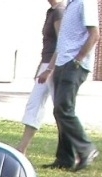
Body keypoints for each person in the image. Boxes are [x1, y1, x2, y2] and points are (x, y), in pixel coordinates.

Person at [46, 0, 100, 170]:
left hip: (73, 64)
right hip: (63, 62)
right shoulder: (71, 4)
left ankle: (86, 148)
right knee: (60, 110)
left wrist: (78, 59)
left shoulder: (85, 3)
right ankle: (65, 158)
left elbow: (94, 35)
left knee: (64, 108)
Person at [17, 0, 67, 155]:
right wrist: (42, 67)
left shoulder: (60, 12)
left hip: (54, 65)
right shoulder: (52, 11)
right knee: (35, 104)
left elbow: (62, 43)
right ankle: (22, 148)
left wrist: (49, 69)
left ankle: (73, 150)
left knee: (62, 110)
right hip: (46, 64)